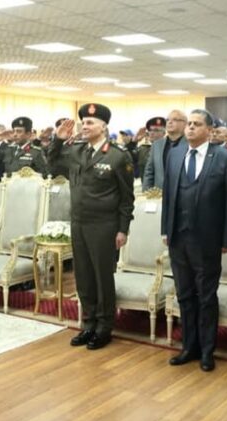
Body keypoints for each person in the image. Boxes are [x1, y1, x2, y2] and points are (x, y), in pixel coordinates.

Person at [48, 103, 135, 350]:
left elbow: (127, 198)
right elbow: (52, 165)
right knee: (84, 276)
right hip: (79, 222)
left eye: (90, 123)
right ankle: (88, 324)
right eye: (83, 122)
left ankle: (104, 327)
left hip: (104, 225)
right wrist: (57, 140)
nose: (84, 127)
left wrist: (123, 229)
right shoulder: (76, 150)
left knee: (102, 277)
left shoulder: (118, 156)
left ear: (103, 126)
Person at [162, 109, 227, 372]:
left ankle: (207, 350)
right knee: (184, 294)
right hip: (178, 237)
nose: (191, 128)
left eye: (197, 124)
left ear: (209, 130)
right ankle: (189, 346)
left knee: (206, 296)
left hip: (208, 239)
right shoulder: (175, 155)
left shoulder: (224, 158)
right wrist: (165, 230)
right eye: (189, 124)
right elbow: (168, 196)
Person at [143, 110, 187, 190]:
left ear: (185, 124)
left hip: (183, 193)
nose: (170, 122)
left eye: (175, 119)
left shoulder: (191, 144)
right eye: (168, 120)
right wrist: (147, 192)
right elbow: (149, 172)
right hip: (160, 193)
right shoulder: (156, 145)